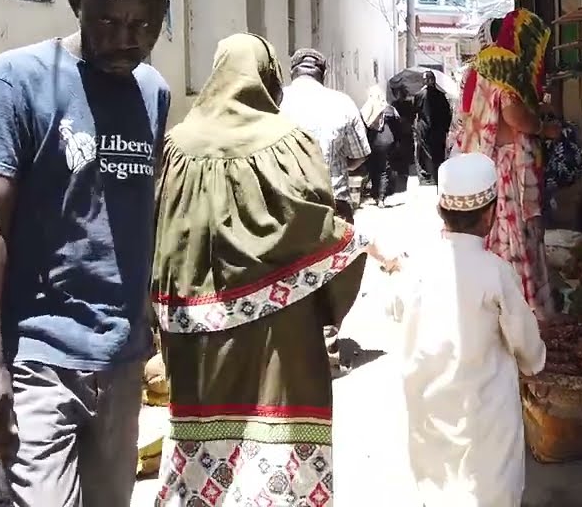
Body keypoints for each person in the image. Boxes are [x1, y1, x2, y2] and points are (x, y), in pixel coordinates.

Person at [0, 0, 171, 506]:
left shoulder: (152, 91)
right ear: (74, 5)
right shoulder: (17, 79)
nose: (126, 38)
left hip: (121, 358)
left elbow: (142, 217)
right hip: (38, 356)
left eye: (143, 24)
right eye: (108, 20)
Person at [150, 34, 404, 506]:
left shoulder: (176, 147)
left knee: (201, 432)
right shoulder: (290, 142)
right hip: (281, 331)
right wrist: (359, 247)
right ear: (269, 78)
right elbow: (314, 226)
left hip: (197, 334)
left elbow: (161, 237)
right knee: (281, 428)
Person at [392, 152, 546, 506]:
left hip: (429, 407)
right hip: (484, 414)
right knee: (488, 488)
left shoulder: (416, 266)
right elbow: (525, 341)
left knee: (438, 487)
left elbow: (396, 310)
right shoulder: (496, 271)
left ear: (440, 210)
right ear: (491, 214)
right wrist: (534, 364)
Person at [457, 9, 561, 313]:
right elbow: (512, 112)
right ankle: (519, 312)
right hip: (507, 172)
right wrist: (542, 128)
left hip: (486, 168)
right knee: (514, 241)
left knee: (494, 241)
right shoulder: (503, 65)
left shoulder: (485, 63)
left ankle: (493, 310)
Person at [279, 48, 370, 221]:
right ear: (325, 75)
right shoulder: (343, 102)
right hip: (333, 205)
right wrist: (334, 163)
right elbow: (359, 155)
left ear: (291, 72)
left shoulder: (276, 101)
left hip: (287, 204)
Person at [360, 84, 401, 205]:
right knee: (383, 169)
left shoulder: (367, 108)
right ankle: (381, 198)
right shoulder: (389, 109)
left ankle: (375, 194)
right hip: (387, 142)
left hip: (372, 142)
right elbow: (397, 125)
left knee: (373, 169)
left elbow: (361, 124)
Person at [413, 70, 452, 186]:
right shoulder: (441, 96)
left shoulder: (420, 95)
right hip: (438, 131)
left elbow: (415, 111)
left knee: (425, 154)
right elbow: (448, 114)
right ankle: (438, 176)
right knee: (438, 154)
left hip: (425, 130)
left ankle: (427, 177)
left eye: (425, 79)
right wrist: (446, 128)